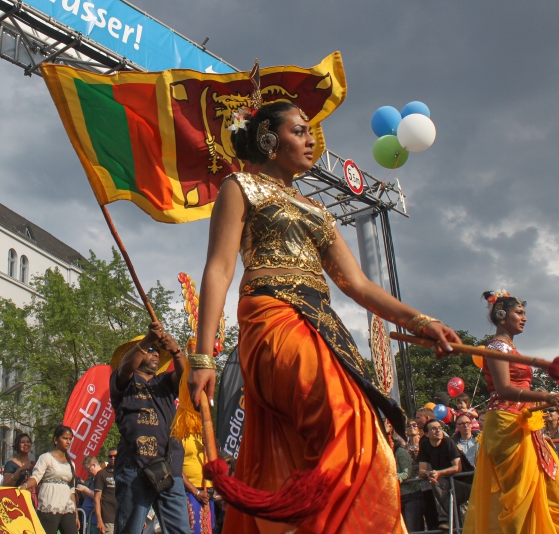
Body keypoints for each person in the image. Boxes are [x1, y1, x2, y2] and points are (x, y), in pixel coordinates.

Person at [187, 99, 460, 533]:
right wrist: (202, 357)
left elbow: (358, 285)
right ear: (269, 140)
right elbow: (218, 269)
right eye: (299, 131)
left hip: (322, 325)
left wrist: (419, 321)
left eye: (311, 131)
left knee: (368, 435)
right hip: (271, 316)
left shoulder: (320, 211)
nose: (311, 139)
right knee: (344, 418)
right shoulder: (241, 187)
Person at [462, 291, 559, 534]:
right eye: (519, 313)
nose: (524, 318)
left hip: (523, 425)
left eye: (524, 313)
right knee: (519, 499)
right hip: (507, 425)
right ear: (502, 316)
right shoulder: (497, 347)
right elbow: (504, 389)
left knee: (556, 491)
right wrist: (545, 396)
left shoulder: (509, 348)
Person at [109, 322, 190, 534]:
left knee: (180, 530)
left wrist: (177, 352)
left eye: (157, 351)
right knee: (130, 529)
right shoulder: (124, 381)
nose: (155, 354)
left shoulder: (164, 383)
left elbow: (185, 379)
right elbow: (126, 367)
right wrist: (148, 339)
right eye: (150, 351)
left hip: (168, 469)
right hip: (134, 467)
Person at [21, 425, 80, 534]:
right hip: (49, 504)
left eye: (70, 439)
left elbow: (72, 490)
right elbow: (36, 477)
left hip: (67, 507)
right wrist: (24, 486)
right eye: (65, 438)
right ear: (56, 439)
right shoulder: (46, 458)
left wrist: (76, 514)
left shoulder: (71, 463)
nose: (68, 442)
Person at [418, 419, 463, 530]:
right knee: (435, 481)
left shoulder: (448, 442)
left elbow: (458, 467)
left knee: (437, 481)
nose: (438, 431)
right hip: (445, 484)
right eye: (434, 428)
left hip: (464, 482)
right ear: (427, 434)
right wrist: (429, 474)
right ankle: (445, 521)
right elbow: (421, 471)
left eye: (440, 428)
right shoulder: (424, 445)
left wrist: (438, 473)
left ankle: (445, 519)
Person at [393, 422, 423, 532]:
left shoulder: (400, 452)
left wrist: (390, 479)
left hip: (411, 495)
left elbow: (406, 473)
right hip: (396, 496)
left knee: (412, 529)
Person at [182, 433, 214, 534]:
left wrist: (209, 446)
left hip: (208, 491)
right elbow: (176, 467)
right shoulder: (180, 435)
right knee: (195, 530)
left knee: (209, 529)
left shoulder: (204, 433)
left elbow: (219, 461)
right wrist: (196, 492)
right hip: (191, 491)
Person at [94, 448, 118, 534]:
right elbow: (97, 498)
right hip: (108, 520)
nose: (112, 458)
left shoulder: (125, 472)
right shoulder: (102, 474)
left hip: (123, 518)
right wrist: (99, 520)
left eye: (115, 456)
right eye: (110, 456)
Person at [79, 455, 102, 532]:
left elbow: (100, 497)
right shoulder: (93, 478)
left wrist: (86, 490)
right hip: (89, 519)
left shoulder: (102, 477)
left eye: (88, 469)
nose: (87, 472)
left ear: (94, 465)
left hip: (95, 519)